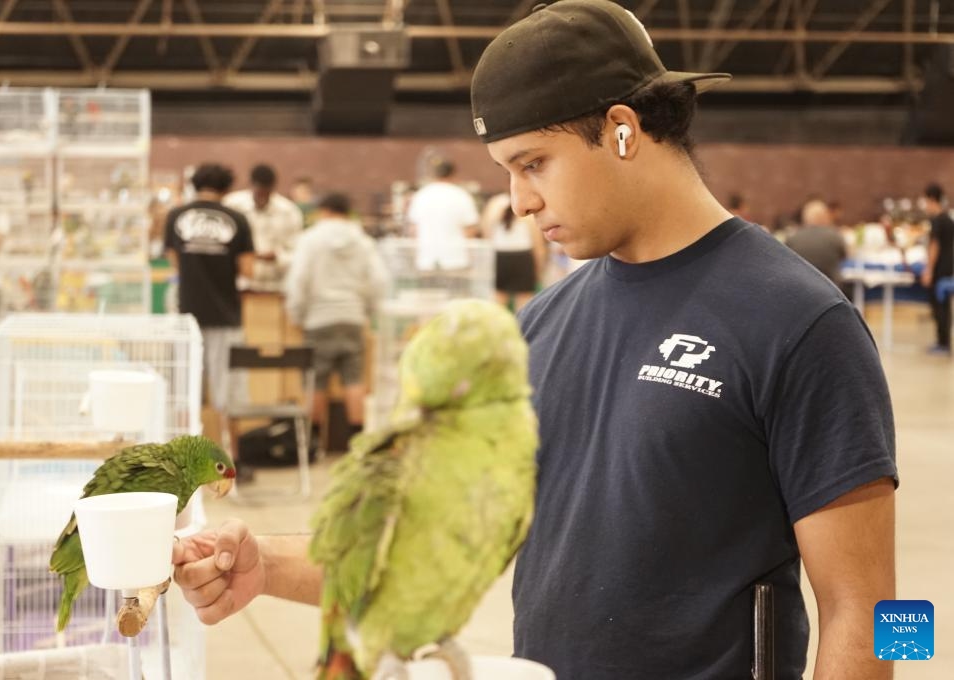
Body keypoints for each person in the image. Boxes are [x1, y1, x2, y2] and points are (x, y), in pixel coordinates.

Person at [173, 2, 898, 678]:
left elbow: (885, 612)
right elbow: (438, 551)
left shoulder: (802, 323)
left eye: (532, 164)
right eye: (508, 173)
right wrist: (264, 564)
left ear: (622, 129)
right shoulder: (541, 326)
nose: (519, 201)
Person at [164, 163, 256, 482]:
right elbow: (247, 270)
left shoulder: (176, 216)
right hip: (226, 315)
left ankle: (181, 464)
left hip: (187, 316)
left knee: (184, 388)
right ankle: (234, 463)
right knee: (227, 392)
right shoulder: (238, 220)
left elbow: (173, 259)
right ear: (228, 187)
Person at [284, 192, 389, 443]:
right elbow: (379, 280)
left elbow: (298, 280)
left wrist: (296, 313)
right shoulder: (363, 241)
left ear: (325, 211)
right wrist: (368, 310)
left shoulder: (310, 240)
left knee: (316, 381)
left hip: (318, 319)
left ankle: (312, 442)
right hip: (352, 317)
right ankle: (357, 442)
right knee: (354, 379)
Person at [224, 164, 303, 291]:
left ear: (273, 188)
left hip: (275, 285)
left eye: (266, 193)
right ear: (251, 185)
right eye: (258, 192)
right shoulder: (233, 205)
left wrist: (277, 257)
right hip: (239, 284)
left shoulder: (289, 211)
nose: (261, 197)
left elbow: (297, 252)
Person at [406, 158, 480, 272]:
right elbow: (470, 230)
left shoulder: (421, 195)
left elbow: (413, 230)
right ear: (454, 174)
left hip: (426, 258)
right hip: (456, 259)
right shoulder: (461, 195)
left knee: (429, 290)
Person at [481, 192, 547, 311]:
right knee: (524, 303)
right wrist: (539, 269)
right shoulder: (526, 204)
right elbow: (538, 244)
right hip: (522, 257)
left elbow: (486, 233)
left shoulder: (495, 203)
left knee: (498, 301)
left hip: (500, 256)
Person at [785, 198, 849, 290]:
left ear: (805, 218)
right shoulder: (835, 236)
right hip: (831, 291)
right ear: (825, 217)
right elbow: (844, 257)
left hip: (799, 290)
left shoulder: (792, 238)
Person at [920, 182, 954, 355]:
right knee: (945, 306)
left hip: (939, 269)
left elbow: (935, 246)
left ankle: (942, 343)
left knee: (939, 306)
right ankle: (944, 341)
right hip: (948, 268)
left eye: (926, 201)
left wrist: (928, 270)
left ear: (932, 199)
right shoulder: (948, 219)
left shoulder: (937, 221)